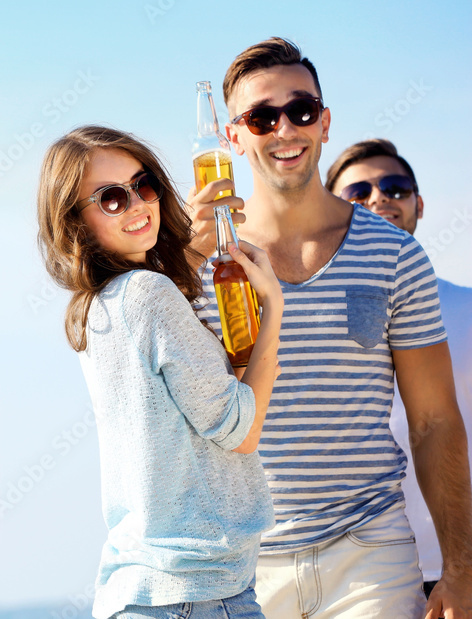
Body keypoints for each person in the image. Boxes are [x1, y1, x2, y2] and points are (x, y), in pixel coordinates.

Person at [186, 38, 472, 618]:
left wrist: (462, 572)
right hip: (242, 565)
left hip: (370, 554)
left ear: (325, 122)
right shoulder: (200, 267)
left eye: (302, 110)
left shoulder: (396, 257)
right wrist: (169, 268)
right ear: (234, 137)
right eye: (263, 117)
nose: (286, 128)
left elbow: (436, 421)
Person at [36, 125, 283, 618]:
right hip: (196, 591)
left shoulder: (97, 308)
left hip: (147, 590)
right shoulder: (150, 295)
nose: (136, 205)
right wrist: (274, 306)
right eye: (110, 198)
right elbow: (241, 430)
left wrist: (190, 248)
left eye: (143, 184)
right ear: (75, 221)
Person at [326, 138, 472, 599]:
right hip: (353, 571)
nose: (379, 198)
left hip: (461, 564)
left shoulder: (468, 309)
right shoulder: (297, 318)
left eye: (395, 187)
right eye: (358, 193)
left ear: (419, 204)